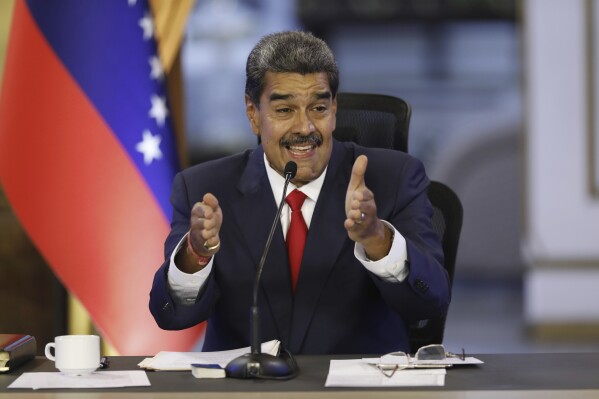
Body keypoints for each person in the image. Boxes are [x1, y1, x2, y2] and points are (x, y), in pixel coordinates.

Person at [150, 31, 450, 355]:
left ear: (334, 110)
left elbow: (431, 301)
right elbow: (172, 315)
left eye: (318, 108)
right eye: (284, 110)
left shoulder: (394, 178)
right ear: (253, 113)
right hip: (247, 389)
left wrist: (377, 238)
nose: (305, 127)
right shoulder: (204, 189)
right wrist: (195, 255)